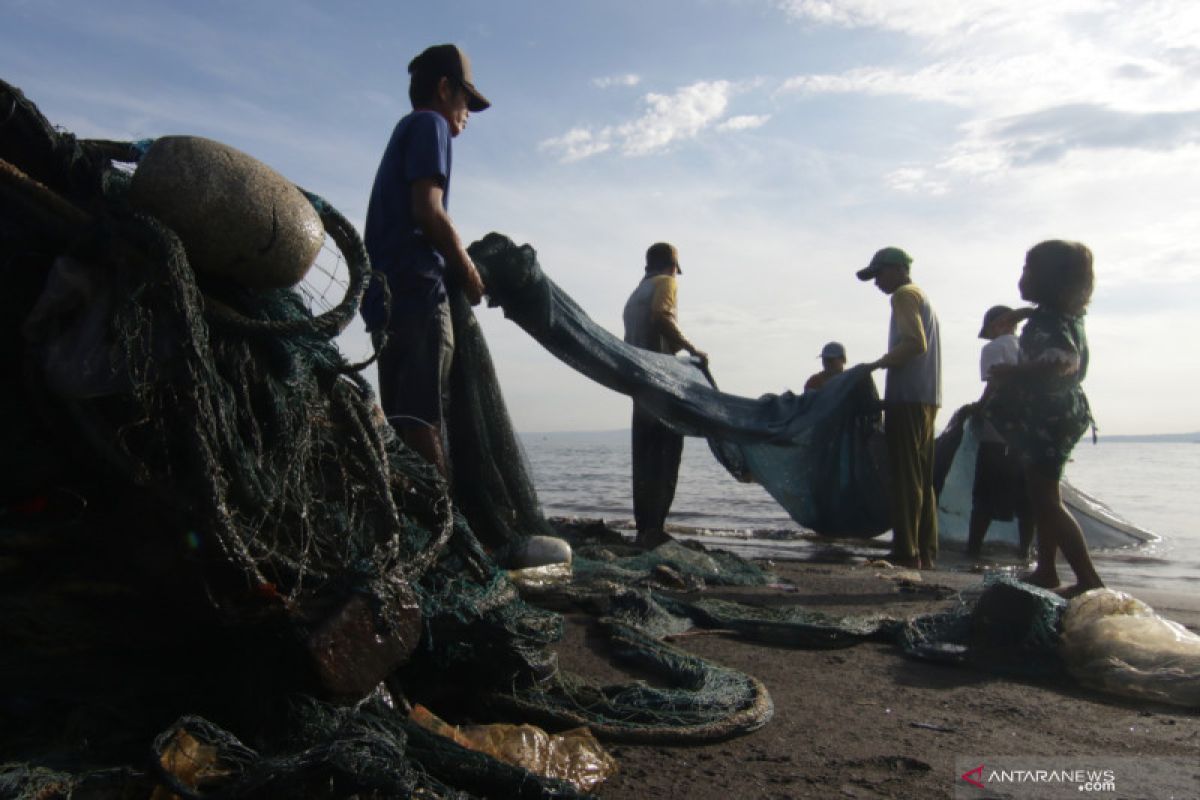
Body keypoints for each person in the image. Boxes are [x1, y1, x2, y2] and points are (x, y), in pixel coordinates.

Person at [360, 44, 489, 477]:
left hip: (384, 299)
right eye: (466, 99)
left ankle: (415, 526)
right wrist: (467, 269)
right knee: (422, 420)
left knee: (401, 420)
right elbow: (428, 211)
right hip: (418, 292)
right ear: (443, 88)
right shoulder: (430, 124)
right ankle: (447, 532)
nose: (467, 112)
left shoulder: (405, 129)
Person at [985, 240, 1102, 597]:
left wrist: (1013, 372)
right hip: (1061, 415)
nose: (1022, 275)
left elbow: (1064, 360)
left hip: (1050, 418)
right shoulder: (1063, 315)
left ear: (1050, 279)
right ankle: (1047, 570)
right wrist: (1023, 314)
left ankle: (1088, 580)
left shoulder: (1050, 321)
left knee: (1046, 498)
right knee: (1042, 495)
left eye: (1028, 269)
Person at [858, 247, 941, 570]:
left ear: (897, 269)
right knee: (922, 477)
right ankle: (926, 551)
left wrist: (876, 364)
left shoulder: (904, 295)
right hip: (928, 397)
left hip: (908, 398)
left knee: (905, 477)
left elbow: (914, 343)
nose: (876, 282)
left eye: (878, 274)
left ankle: (906, 550)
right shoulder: (921, 295)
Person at [623, 243, 707, 548]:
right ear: (672, 266)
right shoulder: (666, 283)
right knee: (666, 458)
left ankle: (644, 529)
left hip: (640, 388)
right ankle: (655, 531)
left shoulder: (635, 295)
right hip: (663, 387)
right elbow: (662, 317)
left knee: (643, 460)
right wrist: (692, 349)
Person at [967, 304, 1034, 560]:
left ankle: (973, 550)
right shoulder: (1027, 348)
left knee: (984, 496)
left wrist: (978, 409)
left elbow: (995, 384)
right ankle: (1025, 551)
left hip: (998, 432)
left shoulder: (993, 348)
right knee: (1026, 500)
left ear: (997, 324)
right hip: (1028, 433)